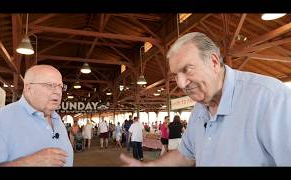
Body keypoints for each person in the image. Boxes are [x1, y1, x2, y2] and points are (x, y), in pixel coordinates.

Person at [120, 32, 291, 166]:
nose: (180, 83)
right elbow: (185, 155)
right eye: (176, 75)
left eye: (187, 69)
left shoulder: (270, 99)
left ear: (214, 62)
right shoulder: (199, 110)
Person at [0, 65, 73, 166]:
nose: (58, 92)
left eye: (60, 86)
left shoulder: (57, 119)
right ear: (28, 88)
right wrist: (29, 162)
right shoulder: (1, 121)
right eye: (50, 85)